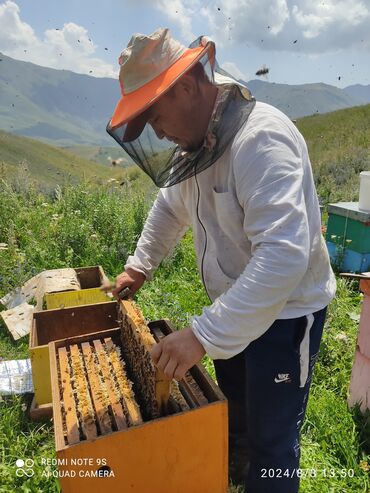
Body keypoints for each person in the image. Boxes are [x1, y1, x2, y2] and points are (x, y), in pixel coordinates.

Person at [106, 28, 336, 492]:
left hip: (286, 314)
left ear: (188, 87)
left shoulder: (261, 141)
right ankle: (238, 473)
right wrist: (140, 265)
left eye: (156, 117)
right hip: (233, 305)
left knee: (274, 439)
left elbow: (282, 258)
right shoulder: (196, 146)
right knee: (238, 413)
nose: (158, 132)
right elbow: (171, 207)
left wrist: (203, 335)